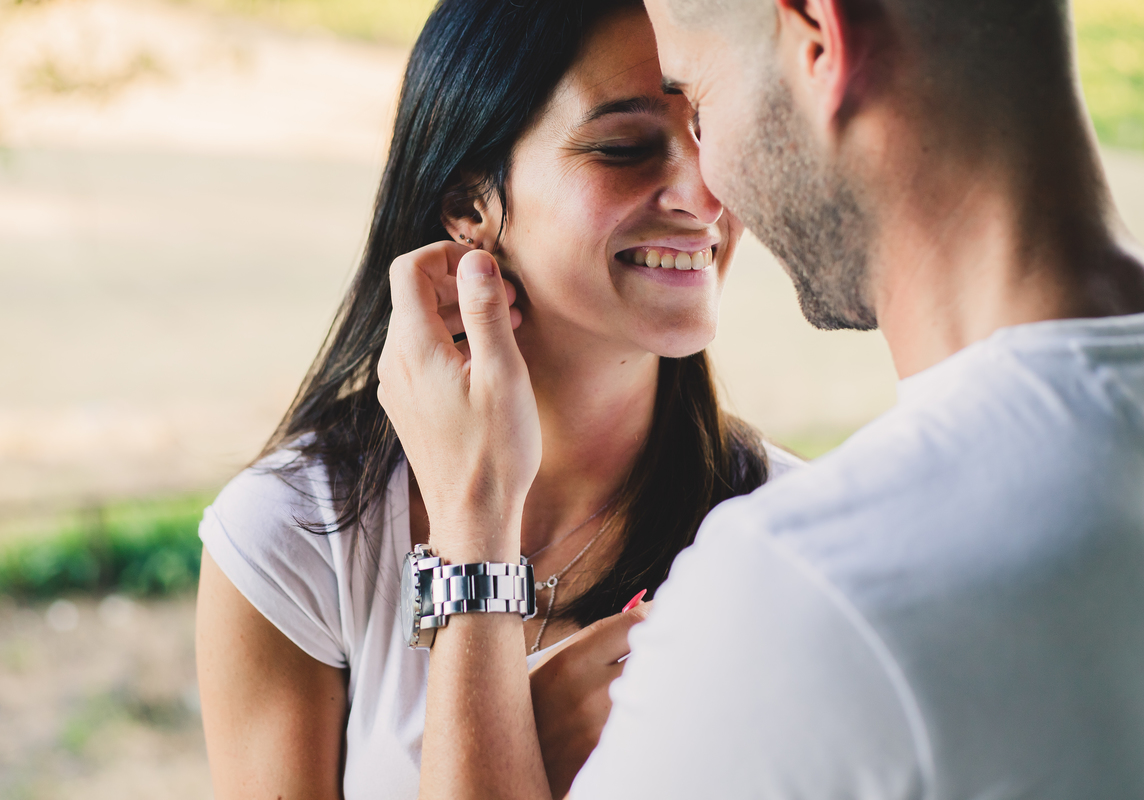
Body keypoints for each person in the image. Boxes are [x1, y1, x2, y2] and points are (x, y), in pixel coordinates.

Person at [376, 0, 1144, 797]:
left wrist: (473, 546)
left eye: (699, 102)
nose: (707, 191)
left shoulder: (804, 592)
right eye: (631, 146)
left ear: (820, 37)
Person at [193, 0, 803, 797]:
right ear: (469, 205)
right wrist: (515, 754)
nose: (708, 195)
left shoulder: (797, 542)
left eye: (711, 133)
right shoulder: (297, 538)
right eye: (625, 147)